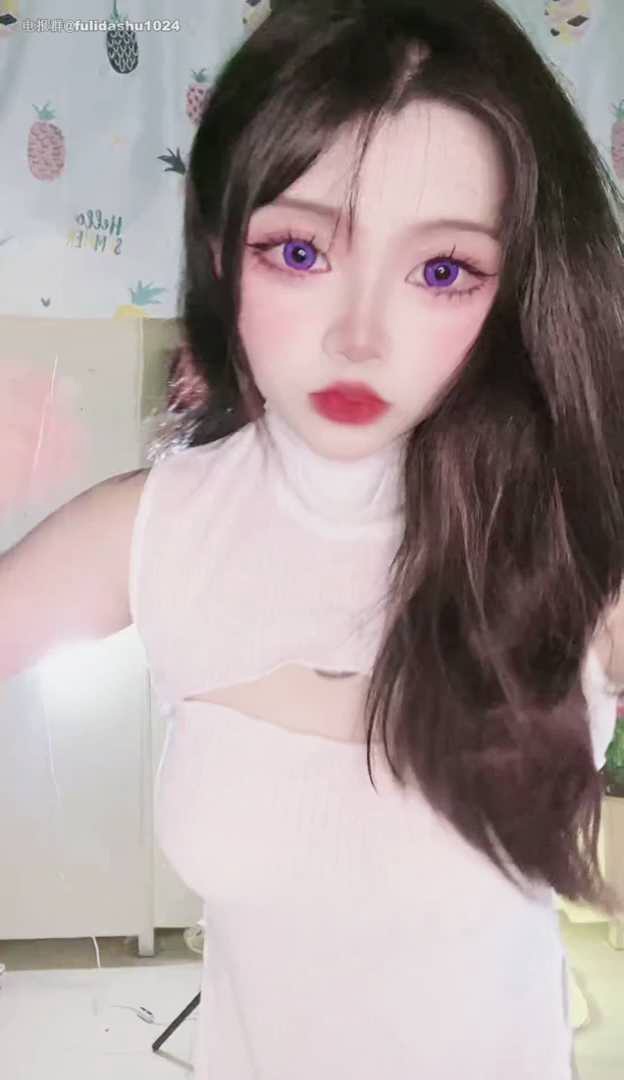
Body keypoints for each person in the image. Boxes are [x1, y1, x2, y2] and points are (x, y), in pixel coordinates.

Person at [2, 0, 624, 1075]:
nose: (359, 336)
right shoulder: (158, 530)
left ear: (521, 283)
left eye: (442, 271)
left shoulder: (581, 544)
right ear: (219, 253)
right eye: (299, 251)